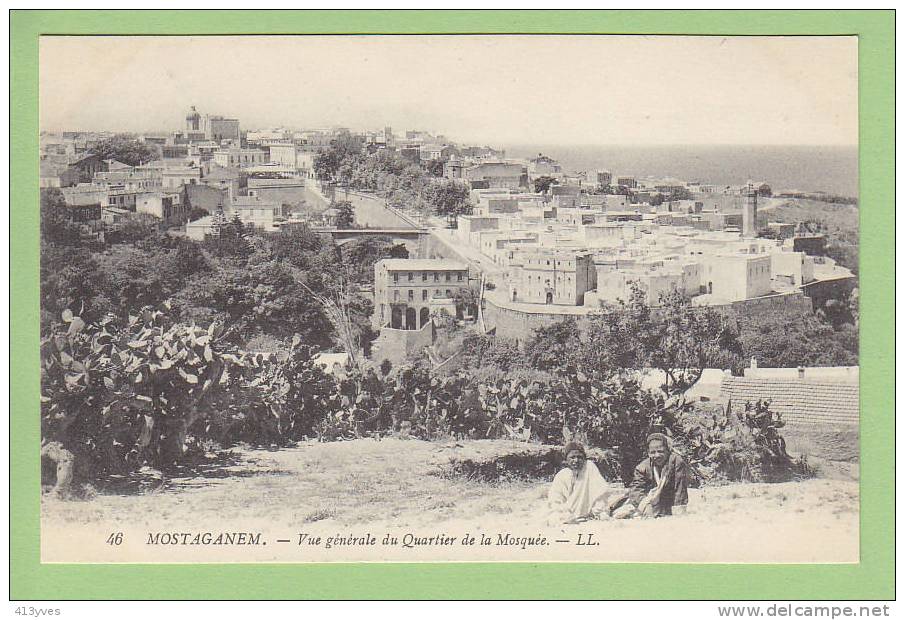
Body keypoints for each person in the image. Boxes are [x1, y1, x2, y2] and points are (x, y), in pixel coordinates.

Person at [547, 441, 620, 524]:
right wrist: (564, 512)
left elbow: (600, 493)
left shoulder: (589, 468)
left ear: (584, 458)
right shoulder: (562, 475)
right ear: (566, 459)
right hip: (567, 513)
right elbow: (555, 498)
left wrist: (598, 511)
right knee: (554, 518)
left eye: (579, 457)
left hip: (589, 513)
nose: (576, 460)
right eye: (572, 457)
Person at [627, 432, 689, 518]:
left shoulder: (676, 462)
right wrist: (645, 505)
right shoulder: (642, 468)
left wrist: (679, 513)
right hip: (650, 502)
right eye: (653, 452)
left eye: (660, 451)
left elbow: (680, 489)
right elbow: (636, 490)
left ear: (667, 451)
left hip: (670, 504)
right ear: (648, 453)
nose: (657, 455)